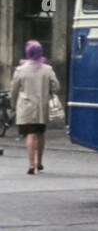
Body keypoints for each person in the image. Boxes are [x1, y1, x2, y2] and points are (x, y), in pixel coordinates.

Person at [11, 40, 60, 176]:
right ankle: (39, 162)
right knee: (40, 133)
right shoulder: (47, 69)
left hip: (26, 106)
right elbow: (56, 86)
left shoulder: (20, 70)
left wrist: (13, 104)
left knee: (30, 134)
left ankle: (31, 165)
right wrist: (49, 91)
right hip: (41, 106)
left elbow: (14, 89)